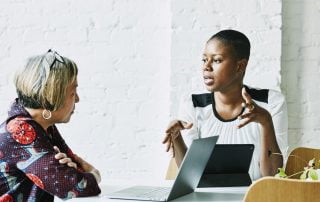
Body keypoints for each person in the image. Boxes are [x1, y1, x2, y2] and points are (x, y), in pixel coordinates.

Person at [163, 30, 288, 180]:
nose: (206, 67)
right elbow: (191, 177)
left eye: (216, 60)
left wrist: (266, 121)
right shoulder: (193, 105)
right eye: (204, 60)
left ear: (240, 66)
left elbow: (272, 176)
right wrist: (177, 138)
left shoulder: (271, 102)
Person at [0, 50, 101, 201]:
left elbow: (74, 169)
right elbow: (74, 187)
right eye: (73, 92)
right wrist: (94, 173)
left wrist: (72, 172)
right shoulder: (21, 131)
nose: (78, 99)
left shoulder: (42, 126)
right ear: (52, 95)